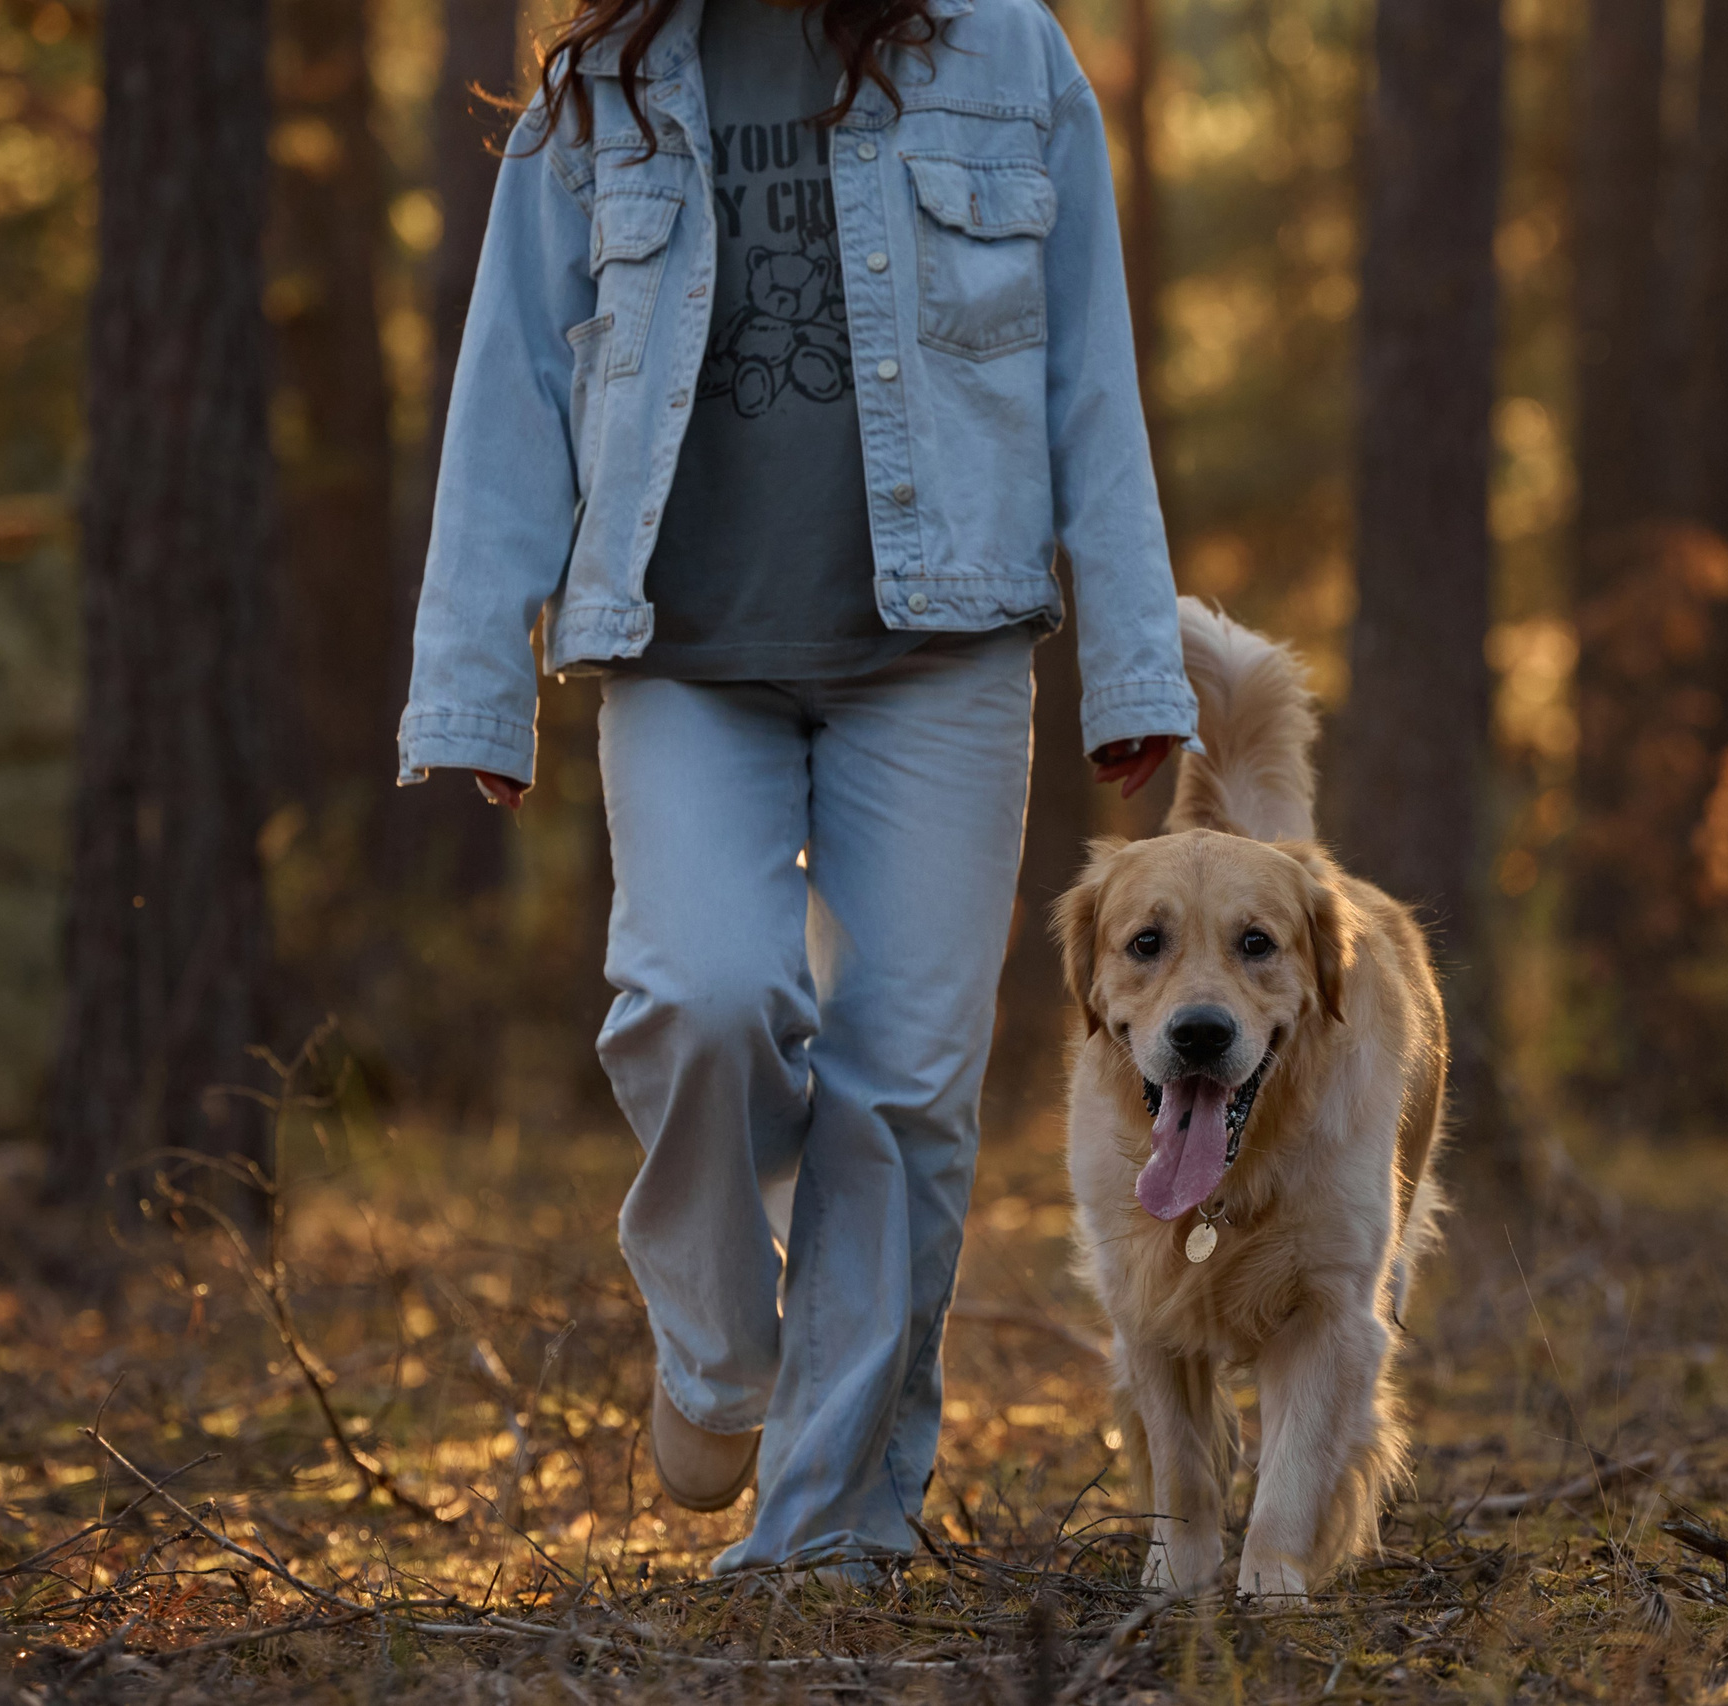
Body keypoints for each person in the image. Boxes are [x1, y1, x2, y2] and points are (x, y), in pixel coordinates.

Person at [396, 0, 1195, 1577]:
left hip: (942, 647)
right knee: (700, 995)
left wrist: (1132, 661)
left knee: (902, 1092)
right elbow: (509, 391)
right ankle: (715, 1347)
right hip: (685, 653)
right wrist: (478, 679)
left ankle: (829, 1533)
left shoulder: (1009, 54)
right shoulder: (597, 89)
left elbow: (1092, 376)